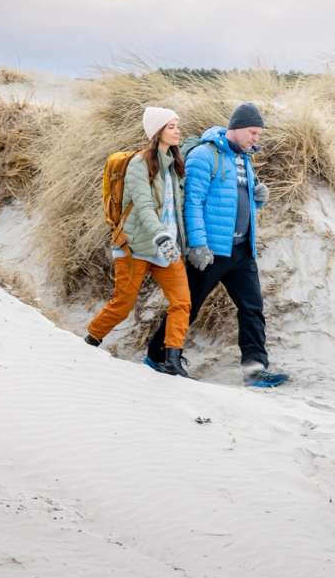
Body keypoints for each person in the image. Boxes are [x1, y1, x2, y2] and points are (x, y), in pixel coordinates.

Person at [145, 102, 289, 387]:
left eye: (259, 134)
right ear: (235, 128)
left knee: (252, 308)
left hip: (241, 250)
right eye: (252, 133)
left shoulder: (245, 159)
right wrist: (198, 245)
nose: (256, 139)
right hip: (210, 250)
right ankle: (156, 356)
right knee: (189, 305)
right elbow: (193, 202)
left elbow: (233, 203)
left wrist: (258, 198)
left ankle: (255, 369)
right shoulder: (203, 155)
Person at [85, 106, 192, 377]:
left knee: (182, 302)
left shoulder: (174, 165)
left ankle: (172, 360)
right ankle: (89, 343)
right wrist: (161, 235)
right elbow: (144, 206)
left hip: (168, 248)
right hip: (136, 245)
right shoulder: (138, 164)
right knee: (123, 303)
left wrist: (179, 241)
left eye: (178, 125)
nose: (177, 130)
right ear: (157, 132)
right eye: (171, 126)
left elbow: (177, 208)